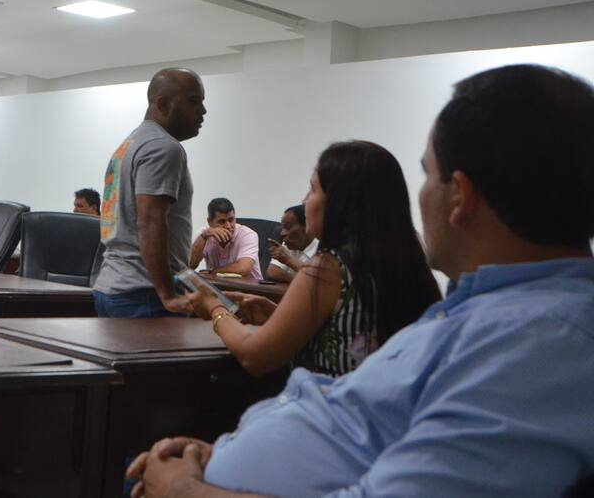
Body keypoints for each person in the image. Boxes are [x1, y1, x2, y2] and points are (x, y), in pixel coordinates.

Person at [127, 64, 594, 498]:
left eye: (428, 174)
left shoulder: (536, 344)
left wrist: (186, 490)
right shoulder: (486, 312)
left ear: (460, 196)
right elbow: (365, 420)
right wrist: (219, 454)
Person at [189, 142, 440, 377]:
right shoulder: (406, 263)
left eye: (312, 189)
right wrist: (275, 316)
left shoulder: (329, 268)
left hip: (329, 405)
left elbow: (254, 355)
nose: (304, 200)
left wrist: (215, 308)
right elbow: (347, 333)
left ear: (339, 203)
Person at [92, 68, 205, 318]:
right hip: (145, 294)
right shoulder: (164, 148)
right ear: (163, 104)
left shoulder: (130, 144)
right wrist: (167, 295)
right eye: (193, 101)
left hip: (113, 287)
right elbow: (150, 221)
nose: (203, 111)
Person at [188, 198, 262, 280]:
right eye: (222, 222)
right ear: (209, 222)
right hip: (218, 284)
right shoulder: (204, 234)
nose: (228, 226)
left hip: (248, 286)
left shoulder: (248, 235)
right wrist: (203, 237)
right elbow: (190, 265)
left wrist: (213, 271)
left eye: (231, 220)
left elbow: (243, 269)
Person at [264, 204, 317, 283]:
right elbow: (272, 272)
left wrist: (289, 260)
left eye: (288, 227)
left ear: (307, 227)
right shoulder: (291, 244)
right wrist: (302, 282)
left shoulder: (323, 250)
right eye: (283, 227)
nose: (282, 233)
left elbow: (318, 280)